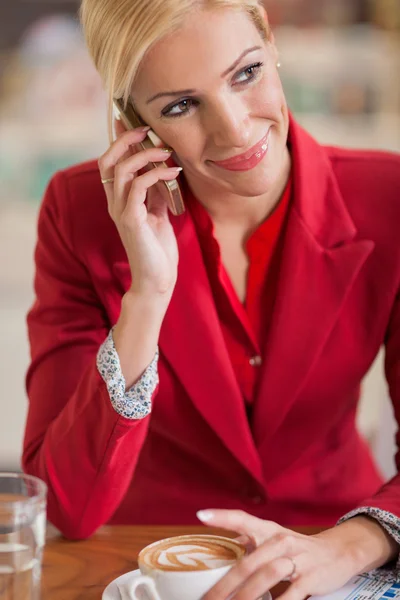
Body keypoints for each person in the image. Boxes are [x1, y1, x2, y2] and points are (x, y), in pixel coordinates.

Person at [22, 0, 400, 596]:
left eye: (245, 73)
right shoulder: (78, 215)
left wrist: (351, 543)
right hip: (153, 565)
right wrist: (147, 294)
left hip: (331, 550)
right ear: (131, 123)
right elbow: (69, 506)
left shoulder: (387, 197)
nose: (235, 130)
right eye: (180, 105)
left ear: (270, 45)